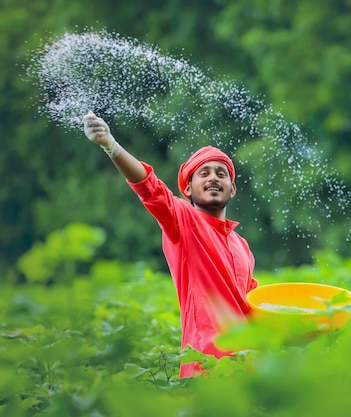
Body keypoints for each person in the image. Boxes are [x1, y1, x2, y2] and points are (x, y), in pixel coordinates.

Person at [83, 111, 258, 378]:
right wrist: (111, 145)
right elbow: (150, 189)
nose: (213, 178)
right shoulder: (183, 221)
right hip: (206, 367)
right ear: (188, 189)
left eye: (221, 174)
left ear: (231, 189)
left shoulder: (241, 244)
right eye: (204, 173)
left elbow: (255, 306)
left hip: (249, 369)